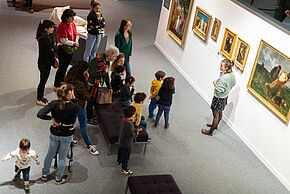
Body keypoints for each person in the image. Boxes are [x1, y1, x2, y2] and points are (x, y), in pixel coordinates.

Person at [37, 83, 80, 184]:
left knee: (50, 154)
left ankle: (44, 174)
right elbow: (77, 108)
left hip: (55, 133)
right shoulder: (74, 107)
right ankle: (58, 178)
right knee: (62, 156)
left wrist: (51, 118)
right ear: (69, 93)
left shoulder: (53, 103)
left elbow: (40, 114)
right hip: (67, 134)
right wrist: (73, 98)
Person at [64, 61, 99, 155]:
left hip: (70, 105)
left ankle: (70, 140)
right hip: (79, 106)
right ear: (83, 71)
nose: (88, 73)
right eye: (86, 71)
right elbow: (87, 96)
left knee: (70, 124)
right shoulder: (79, 83)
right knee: (83, 126)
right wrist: (86, 79)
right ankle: (89, 145)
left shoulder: (69, 77)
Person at [201, 59, 236, 136]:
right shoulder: (232, 75)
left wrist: (215, 83)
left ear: (226, 67)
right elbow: (233, 83)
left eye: (221, 65)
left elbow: (219, 89)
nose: (220, 66)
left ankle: (210, 132)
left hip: (218, 98)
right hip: (224, 97)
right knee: (220, 112)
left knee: (215, 114)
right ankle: (215, 125)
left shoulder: (224, 78)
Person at [86, 45, 118, 125]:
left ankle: (90, 114)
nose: (116, 58)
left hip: (96, 84)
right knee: (91, 100)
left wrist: (109, 87)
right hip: (91, 83)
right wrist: (104, 72)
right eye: (115, 56)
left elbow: (106, 75)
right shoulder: (97, 60)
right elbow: (92, 74)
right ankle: (88, 118)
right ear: (110, 56)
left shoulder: (106, 61)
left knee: (94, 98)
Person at [54, 8, 79, 88]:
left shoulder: (72, 24)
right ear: (67, 18)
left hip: (70, 49)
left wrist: (76, 41)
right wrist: (74, 43)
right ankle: (57, 83)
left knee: (66, 65)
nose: (73, 19)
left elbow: (76, 34)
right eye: (72, 17)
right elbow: (63, 40)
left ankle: (62, 80)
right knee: (62, 67)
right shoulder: (62, 25)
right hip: (63, 49)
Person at [36, 20, 57, 106]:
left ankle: (41, 97)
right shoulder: (43, 40)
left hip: (46, 62)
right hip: (44, 63)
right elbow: (50, 52)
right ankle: (39, 98)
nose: (53, 29)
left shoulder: (49, 36)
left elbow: (54, 48)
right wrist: (53, 48)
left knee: (43, 80)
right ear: (46, 29)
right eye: (51, 27)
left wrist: (53, 48)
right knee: (43, 81)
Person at [116, 106, 142, 175]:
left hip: (121, 140)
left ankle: (119, 161)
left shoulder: (123, 120)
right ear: (132, 115)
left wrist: (135, 130)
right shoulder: (129, 125)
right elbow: (131, 135)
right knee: (126, 156)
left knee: (120, 152)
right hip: (127, 143)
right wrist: (137, 132)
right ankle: (124, 168)